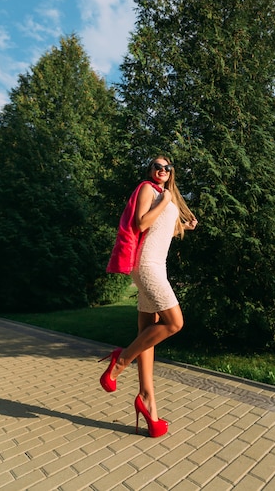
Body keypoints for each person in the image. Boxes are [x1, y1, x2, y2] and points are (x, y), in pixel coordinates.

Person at [99, 156, 197, 437]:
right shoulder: (148, 189)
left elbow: (161, 231)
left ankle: (147, 402)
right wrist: (165, 202)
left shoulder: (164, 196)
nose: (162, 170)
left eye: (167, 167)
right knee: (174, 323)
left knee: (147, 333)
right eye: (157, 166)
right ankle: (120, 361)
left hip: (156, 265)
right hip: (146, 266)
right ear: (150, 170)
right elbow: (141, 224)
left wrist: (184, 227)